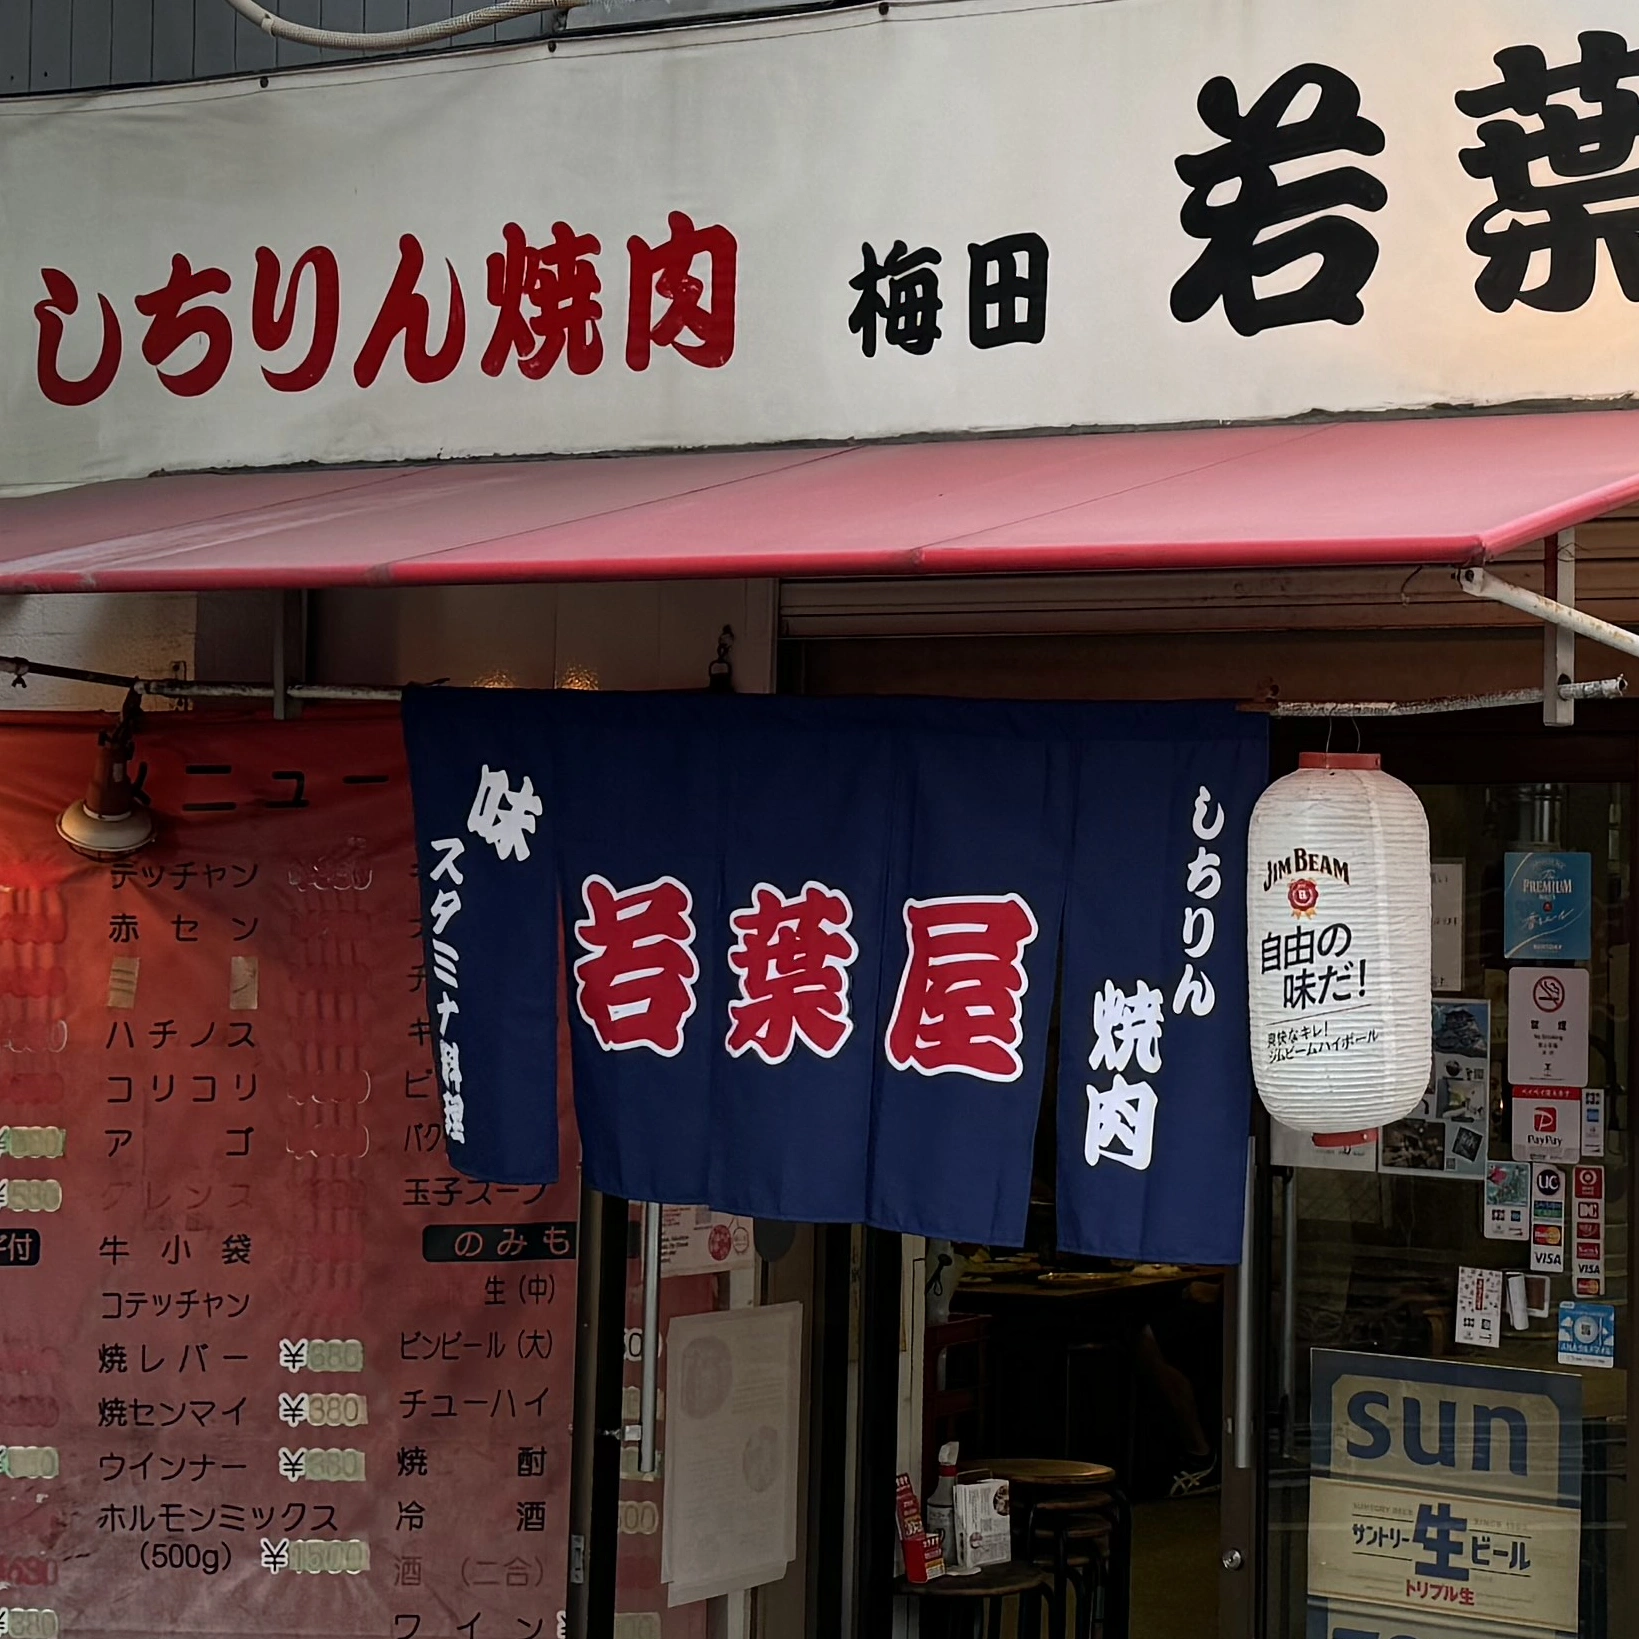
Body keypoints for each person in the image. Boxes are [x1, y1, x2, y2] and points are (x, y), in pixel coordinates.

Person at [1135, 1276, 1223, 1497]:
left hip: (1269, 1313)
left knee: (1148, 1334)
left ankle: (1201, 1453)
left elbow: (1266, 1272)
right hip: (1248, 1305)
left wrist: (1216, 1291)